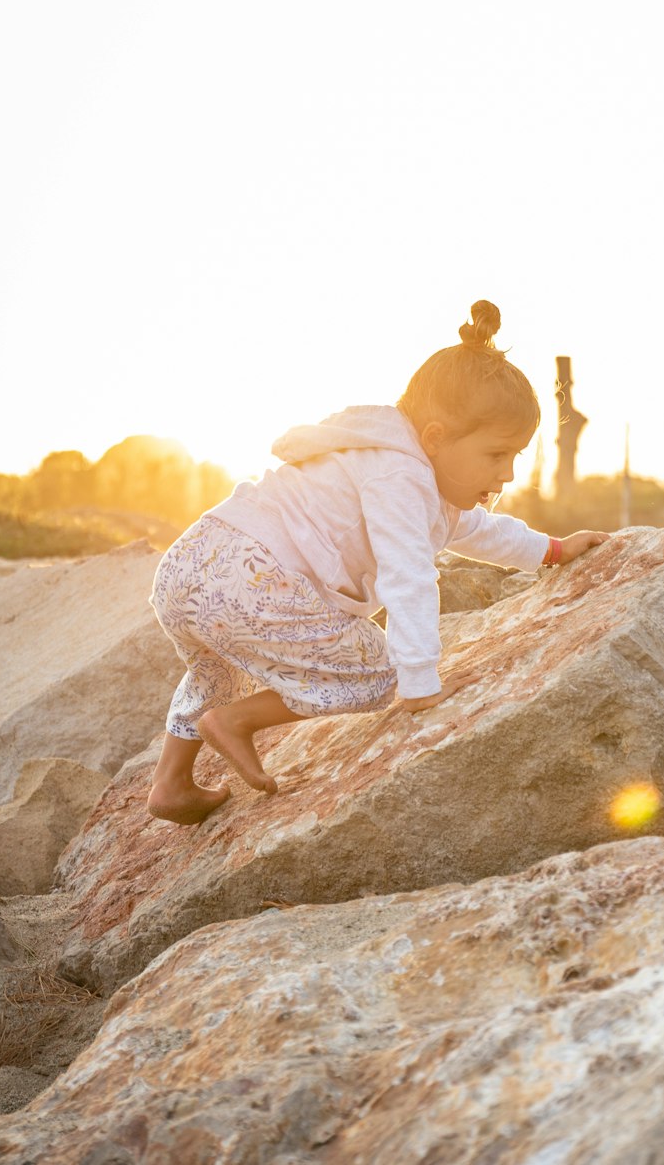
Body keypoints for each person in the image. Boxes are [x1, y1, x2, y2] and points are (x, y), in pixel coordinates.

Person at [146, 302, 609, 824]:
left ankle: (171, 782)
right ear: (435, 438)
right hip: (254, 575)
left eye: (515, 458)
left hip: (192, 564)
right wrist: (417, 681)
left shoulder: (391, 460)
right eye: (496, 455)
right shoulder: (402, 474)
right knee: (374, 673)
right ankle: (236, 721)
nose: (505, 475)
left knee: (215, 664)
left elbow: (476, 530)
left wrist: (551, 549)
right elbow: (407, 573)